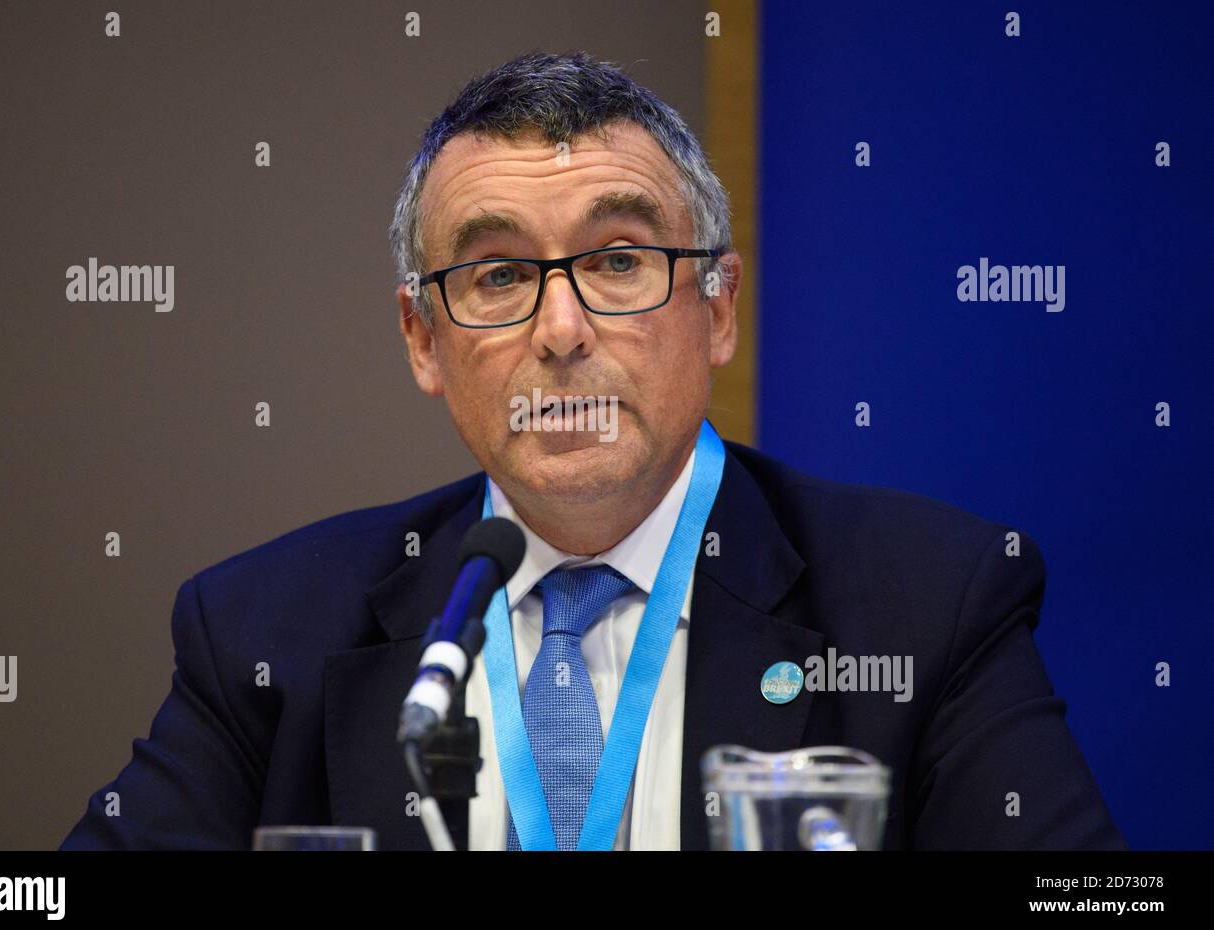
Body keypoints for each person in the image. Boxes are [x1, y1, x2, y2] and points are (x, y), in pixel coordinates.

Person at [61, 51, 1125, 850]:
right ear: (422, 341)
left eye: (618, 259)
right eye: (496, 277)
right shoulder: (264, 628)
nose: (560, 329)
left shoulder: (925, 602)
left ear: (717, 308)